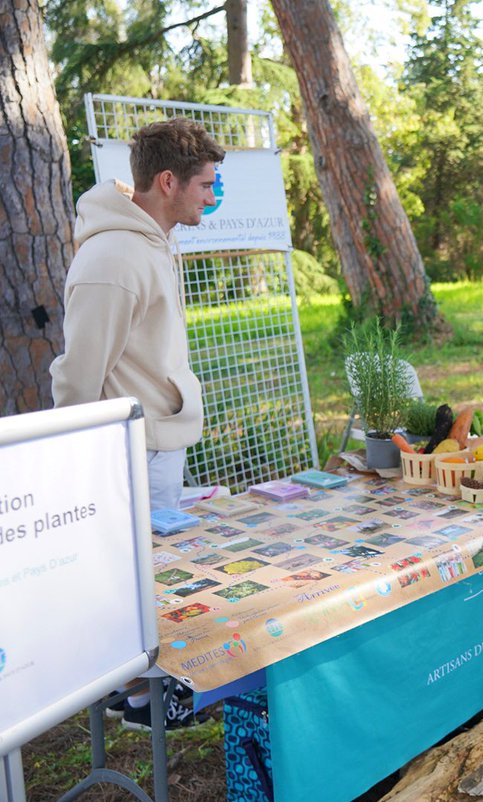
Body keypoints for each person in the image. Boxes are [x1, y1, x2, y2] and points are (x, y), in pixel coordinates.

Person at [50, 117, 224, 731]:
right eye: (205, 184)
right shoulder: (114, 256)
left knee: (144, 576)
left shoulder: (148, 239)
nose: (213, 195)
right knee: (142, 579)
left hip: (155, 437)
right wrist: (81, 460)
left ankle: (141, 693)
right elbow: (80, 374)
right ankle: (148, 701)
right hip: (132, 448)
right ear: (168, 181)